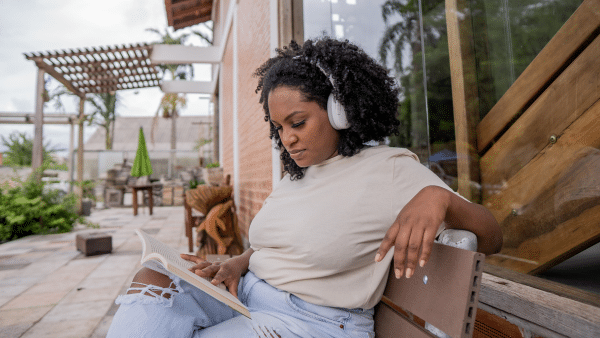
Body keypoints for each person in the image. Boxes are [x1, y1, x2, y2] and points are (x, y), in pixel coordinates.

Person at [106, 37, 502, 338]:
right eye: (279, 128)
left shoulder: (390, 169)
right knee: (154, 275)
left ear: (340, 111)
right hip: (248, 293)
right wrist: (239, 262)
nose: (288, 139)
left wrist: (439, 198)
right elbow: (284, 242)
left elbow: (493, 236)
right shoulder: (299, 172)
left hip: (310, 322)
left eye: (297, 122)